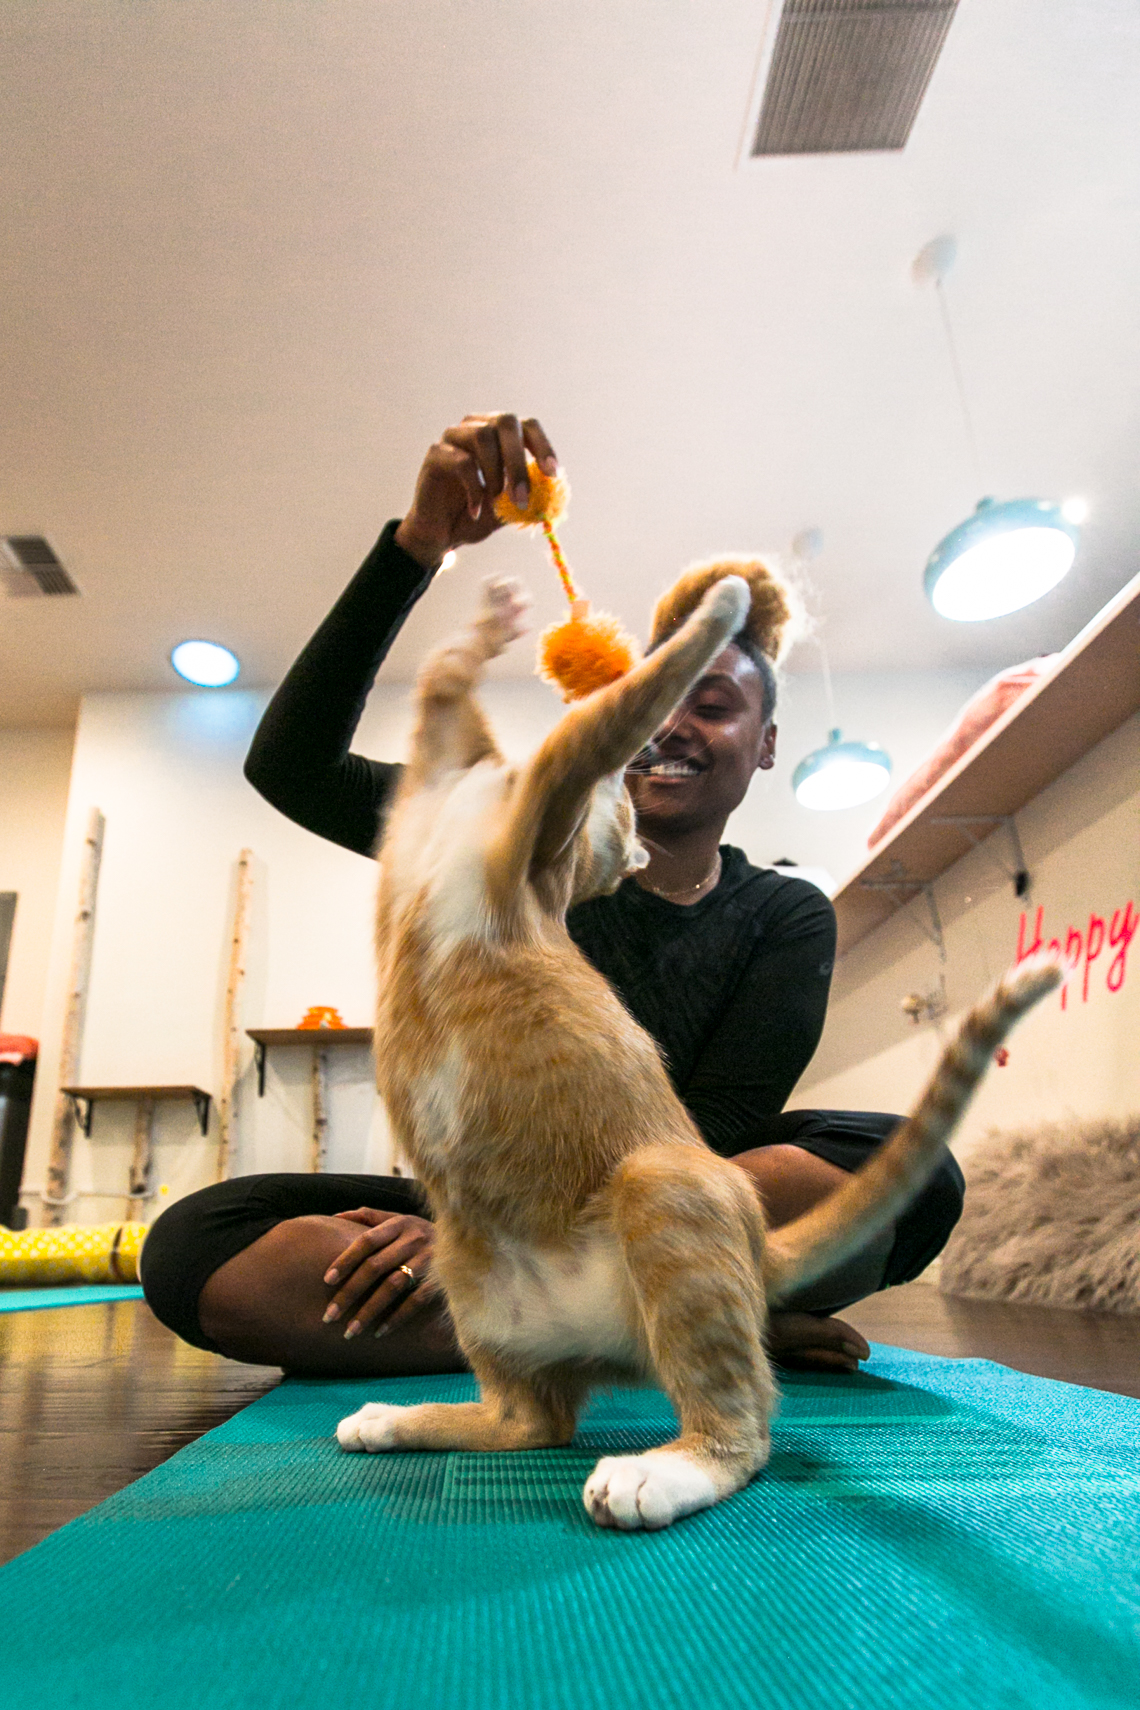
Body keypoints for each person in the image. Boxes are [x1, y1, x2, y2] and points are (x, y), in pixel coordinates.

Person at [139, 413, 963, 1377]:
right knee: (196, 1241)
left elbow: (714, 1137)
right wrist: (416, 548)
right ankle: (661, 1327)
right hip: (486, 1202)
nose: (674, 725)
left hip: (657, 1199)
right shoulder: (506, 833)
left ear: (765, 744)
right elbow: (293, 767)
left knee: (914, 1170)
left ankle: (539, 1320)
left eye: (713, 702)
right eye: (659, 693)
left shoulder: (786, 914)